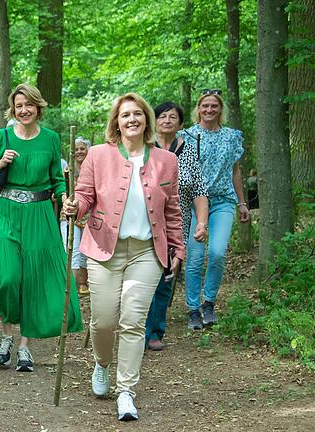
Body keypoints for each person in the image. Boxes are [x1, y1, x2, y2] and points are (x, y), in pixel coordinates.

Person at [64, 92, 184, 421]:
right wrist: (75, 206)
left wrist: (178, 246)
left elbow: (172, 210)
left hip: (146, 251)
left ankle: (126, 391)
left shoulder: (165, 161)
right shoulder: (98, 156)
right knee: (103, 320)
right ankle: (102, 363)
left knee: (133, 322)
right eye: (124, 115)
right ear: (115, 122)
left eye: (137, 114)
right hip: (104, 248)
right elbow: (84, 194)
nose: (131, 119)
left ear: (146, 120)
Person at [0, 83, 82, 374]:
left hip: (39, 214)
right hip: (6, 213)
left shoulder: (49, 139)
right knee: (8, 277)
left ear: (38, 108)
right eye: (19, 106)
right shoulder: (3, 136)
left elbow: (57, 178)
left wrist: (65, 197)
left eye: (29, 105)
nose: (24, 110)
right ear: (13, 108)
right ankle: (6, 335)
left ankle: (24, 348)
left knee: (33, 281)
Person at [182, 89, 250, 330]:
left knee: (218, 253)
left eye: (214, 106)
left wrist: (242, 203)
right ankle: (192, 308)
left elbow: (235, 171)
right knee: (195, 256)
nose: (209, 110)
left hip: (222, 201)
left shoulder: (231, 137)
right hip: (192, 203)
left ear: (221, 109)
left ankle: (208, 302)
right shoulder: (187, 135)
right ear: (198, 109)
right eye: (205, 106)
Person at [144, 102, 209, 350]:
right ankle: (137, 329)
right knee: (143, 274)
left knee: (166, 276)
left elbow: (199, 190)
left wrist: (201, 223)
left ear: (181, 124)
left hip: (175, 224)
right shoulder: (145, 147)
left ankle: (154, 332)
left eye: (173, 117)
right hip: (145, 222)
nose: (168, 120)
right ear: (154, 120)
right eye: (162, 116)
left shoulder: (188, 150)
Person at [60, 137, 91, 295]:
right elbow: (61, 188)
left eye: (82, 148)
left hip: (88, 216)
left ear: (88, 150)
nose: (79, 151)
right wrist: (65, 200)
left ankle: (82, 283)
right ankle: (70, 287)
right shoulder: (67, 169)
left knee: (85, 252)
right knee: (72, 249)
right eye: (76, 149)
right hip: (69, 215)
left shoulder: (93, 168)